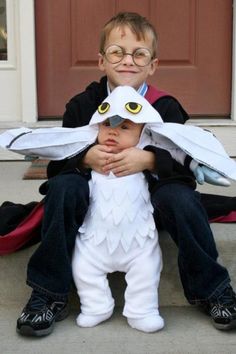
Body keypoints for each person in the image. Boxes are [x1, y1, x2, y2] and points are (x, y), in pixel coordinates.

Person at [16, 12, 236, 337]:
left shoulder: (165, 108)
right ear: (102, 61)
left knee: (183, 199)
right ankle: (49, 293)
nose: (127, 61)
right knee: (63, 189)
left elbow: (184, 166)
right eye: (117, 52)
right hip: (95, 206)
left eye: (139, 53)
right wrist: (85, 157)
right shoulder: (82, 105)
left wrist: (149, 161)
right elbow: (55, 160)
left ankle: (212, 289)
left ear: (153, 65)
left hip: (147, 209)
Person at [72, 114, 164, 333]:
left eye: (125, 127)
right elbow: (60, 168)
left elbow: (176, 172)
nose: (113, 131)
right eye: (106, 124)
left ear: (142, 135)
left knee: (147, 269)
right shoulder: (91, 161)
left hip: (139, 243)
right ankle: (96, 306)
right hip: (94, 243)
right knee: (82, 267)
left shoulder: (143, 163)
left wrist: (150, 160)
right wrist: (83, 159)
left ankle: (142, 311)